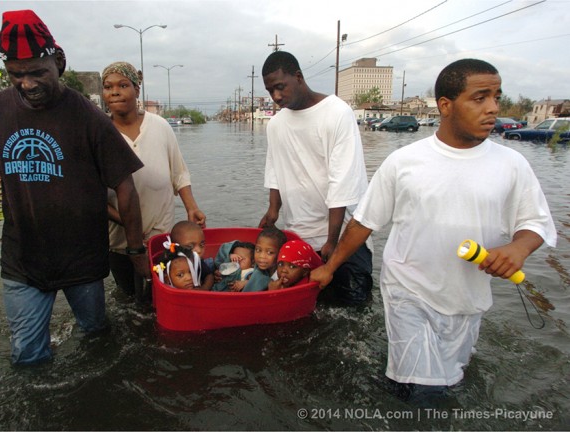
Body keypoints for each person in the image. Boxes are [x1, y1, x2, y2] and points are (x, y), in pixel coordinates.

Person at [310, 59, 557, 402]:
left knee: (452, 379)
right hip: (408, 294)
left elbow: (535, 223)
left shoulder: (511, 164)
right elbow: (364, 222)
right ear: (445, 105)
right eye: (480, 98)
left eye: (496, 97)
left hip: (467, 299)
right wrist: (330, 267)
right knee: (425, 395)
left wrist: (518, 249)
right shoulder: (404, 162)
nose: (493, 109)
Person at [0, 10, 148, 366]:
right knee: (28, 356)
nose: (27, 84)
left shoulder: (88, 117)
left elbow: (125, 186)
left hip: (83, 258)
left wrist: (137, 251)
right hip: (23, 259)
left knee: (96, 340)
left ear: (58, 62)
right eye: (17, 75)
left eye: (37, 72)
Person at [258, 51, 373, 305]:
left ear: (298, 77)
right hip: (299, 236)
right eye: (270, 91)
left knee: (352, 311)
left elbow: (342, 181)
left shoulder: (336, 113)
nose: (275, 96)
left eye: (280, 87)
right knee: (308, 310)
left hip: (342, 237)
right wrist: (273, 211)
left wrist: (331, 241)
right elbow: (275, 169)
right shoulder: (276, 125)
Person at [101, 61, 206, 301]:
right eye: (108, 87)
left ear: (137, 90)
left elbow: (178, 172)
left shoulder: (159, 126)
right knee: (129, 299)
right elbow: (94, 197)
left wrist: (192, 207)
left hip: (161, 238)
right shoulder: (100, 133)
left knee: (161, 298)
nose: (115, 91)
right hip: (119, 242)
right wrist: (130, 225)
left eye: (123, 85)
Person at [238, 227, 286, 292]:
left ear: (280, 253)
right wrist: (247, 282)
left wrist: (271, 290)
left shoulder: (280, 276)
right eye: (258, 250)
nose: (262, 256)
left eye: (270, 252)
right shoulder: (255, 264)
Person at [169, 220, 213, 291]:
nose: (199, 250)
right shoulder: (170, 263)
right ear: (176, 247)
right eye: (190, 246)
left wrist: (204, 288)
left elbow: (209, 276)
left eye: (201, 245)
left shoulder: (198, 261)